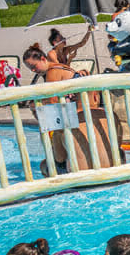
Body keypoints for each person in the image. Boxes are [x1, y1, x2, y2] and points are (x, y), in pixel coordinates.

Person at [23, 43, 111, 173]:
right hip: (92, 105)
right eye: (30, 69)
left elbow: (53, 104)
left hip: (81, 110)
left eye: (33, 66)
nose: (33, 71)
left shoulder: (52, 72)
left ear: (43, 59)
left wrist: (35, 107)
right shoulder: (59, 67)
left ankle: (59, 163)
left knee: (53, 129)